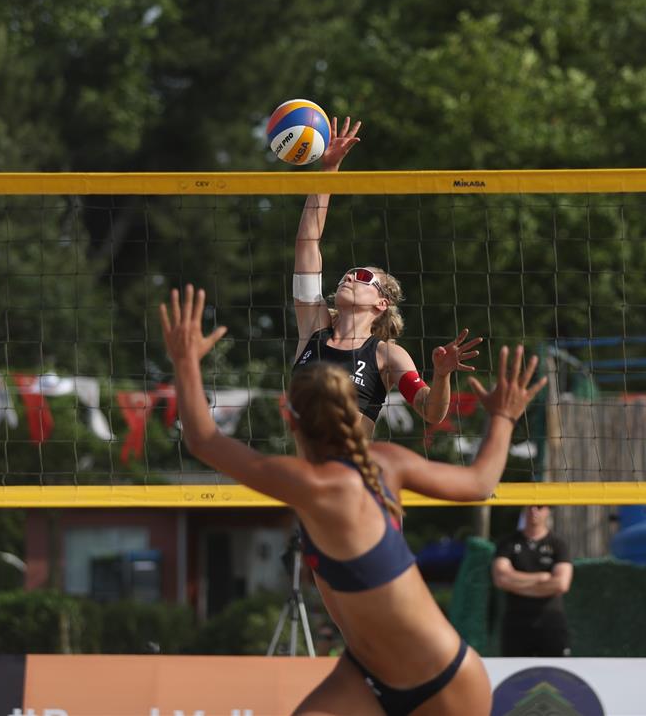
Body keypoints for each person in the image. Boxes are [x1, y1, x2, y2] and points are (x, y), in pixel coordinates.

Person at [160, 285, 546, 715]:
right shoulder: (385, 462)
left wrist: (185, 361)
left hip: (438, 682)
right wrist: (504, 417)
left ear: (291, 419)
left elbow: (203, 439)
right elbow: (478, 483)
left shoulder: (309, 485)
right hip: (371, 672)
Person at [293, 117, 482, 434]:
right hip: (301, 467)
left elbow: (430, 411)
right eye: (347, 275)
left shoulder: (386, 354)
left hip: (351, 466)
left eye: (361, 276)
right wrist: (329, 170)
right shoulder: (314, 328)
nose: (349, 278)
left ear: (381, 303)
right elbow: (307, 243)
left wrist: (442, 376)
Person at [491, 504, 573, 657]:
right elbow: (501, 578)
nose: (534, 510)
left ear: (548, 510)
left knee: (554, 670)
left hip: (551, 622)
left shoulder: (558, 544)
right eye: (530, 506)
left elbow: (561, 584)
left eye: (540, 506)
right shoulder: (507, 543)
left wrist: (516, 583)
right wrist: (541, 578)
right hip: (516, 624)